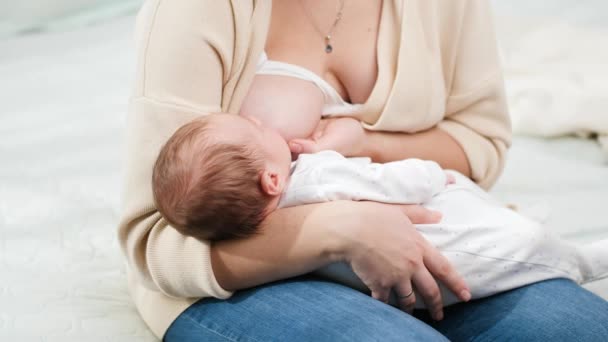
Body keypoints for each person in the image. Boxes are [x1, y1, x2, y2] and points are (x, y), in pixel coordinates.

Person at [119, 0, 608, 340]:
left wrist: (369, 143)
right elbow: (155, 239)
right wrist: (342, 228)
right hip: (248, 274)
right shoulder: (197, 11)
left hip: (425, 250)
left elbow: (479, 142)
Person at [151, 113, 607, 309]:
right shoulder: (318, 175)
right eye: (254, 129)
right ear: (272, 180)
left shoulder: (267, 224)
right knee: (518, 244)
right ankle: (581, 259)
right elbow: (392, 182)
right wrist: (432, 174)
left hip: (401, 285)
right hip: (447, 260)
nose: (260, 122)